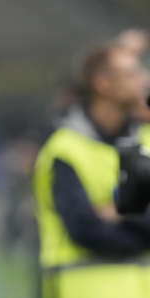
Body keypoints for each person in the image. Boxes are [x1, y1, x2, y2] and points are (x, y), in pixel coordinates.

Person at [32, 41, 150, 298]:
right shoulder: (65, 149)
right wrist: (138, 218)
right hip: (86, 287)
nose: (144, 80)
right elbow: (85, 230)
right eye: (133, 74)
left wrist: (116, 210)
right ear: (103, 84)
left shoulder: (143, 141)